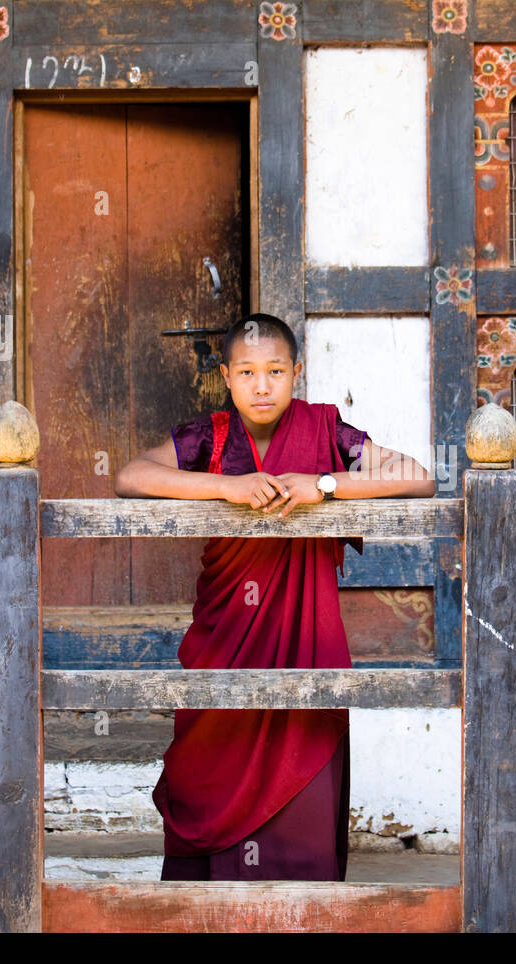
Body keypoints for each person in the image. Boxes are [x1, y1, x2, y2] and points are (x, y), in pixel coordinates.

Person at [113, 312, 434, 880]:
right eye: (248, 372)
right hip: (226, 637)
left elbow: (417, 476)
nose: (262, 386)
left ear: (296, 373)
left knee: (300, 734)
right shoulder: (208, 437)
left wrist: (326, 485)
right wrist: (226, 488)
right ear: (228, 378)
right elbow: (131, 476)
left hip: (301, 640)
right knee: (211, 746)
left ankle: (300, 894)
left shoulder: (326, 432)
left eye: (276, 372)